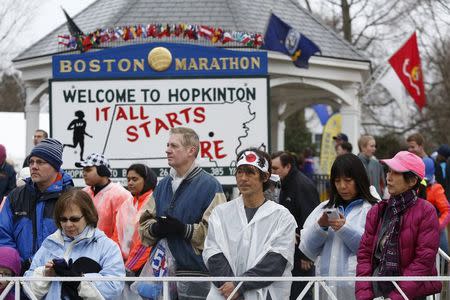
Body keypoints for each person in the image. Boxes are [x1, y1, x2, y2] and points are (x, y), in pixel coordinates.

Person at [139, 127, 226, 300]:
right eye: (167, 145)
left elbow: (218, 234)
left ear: (191, 151)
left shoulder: (211, 186)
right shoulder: (162, 185)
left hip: (195, 275)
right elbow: (143, 226)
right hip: (161, 276)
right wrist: (156, 229)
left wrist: (183, 229)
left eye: (174, 146)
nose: (167, 150)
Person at [203, 148, 297, 299]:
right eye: (239, 172)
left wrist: (240, 286)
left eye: (249, 172)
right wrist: (231, 288)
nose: (243, 178)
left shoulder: (282, 217)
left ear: (265, 176)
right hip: (226, 294)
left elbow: (276, 261)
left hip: (264, 294)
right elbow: (213, 253)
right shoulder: (220, 213)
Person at [356, 151, 442, 300]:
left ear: (412, 180)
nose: (389, 177)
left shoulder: (426, 211)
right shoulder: (377, 211)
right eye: (389, 171)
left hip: (411, 294)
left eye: (396, 173)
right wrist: (364, 294)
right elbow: (364, 255)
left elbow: (423, 261)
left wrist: (396, 296)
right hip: (378, 291)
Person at [299, 153, 378, 299]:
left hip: (357, 290)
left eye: (348, 180)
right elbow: (307, 249)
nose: (342, 186)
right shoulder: (324, 208)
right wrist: (320, 227)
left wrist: (345, 229)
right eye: (337, 181)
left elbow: (373, 249)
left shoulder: (373, 209)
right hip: (325, 288)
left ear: (359, 179)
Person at [24, 189, 125, 299]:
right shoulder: (50, 243)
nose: (68, 224)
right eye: (63, 219)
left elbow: (115, 288)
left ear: (87, 215)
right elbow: (28, 288)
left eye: (74, 219)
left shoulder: (107, 247)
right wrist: (45, 274)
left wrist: (79, 281)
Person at [0, 138, 74, 274]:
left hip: (57, 276)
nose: (34, 166)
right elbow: (3, 234)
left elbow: (76, 239)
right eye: (31, 162)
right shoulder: (15, 196)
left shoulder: (71, 198)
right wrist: (16, 262)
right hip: (19, 276)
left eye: (40, 162)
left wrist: (41, 263)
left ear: (55, 166)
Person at [271, 151, 320, 300]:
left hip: (301, 255)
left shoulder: (301, 185)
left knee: (301, 293)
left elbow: (310, 221)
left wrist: (307, 255)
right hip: (289, 251)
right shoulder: (285, 184)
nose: (272, 172)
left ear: (287, 167)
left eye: (275, 168)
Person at [76, 153, 133, 244]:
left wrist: (112, 253)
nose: (84, 173)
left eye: (88, 170)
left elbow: (122, 232)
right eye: (83, 170)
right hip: (84, 249)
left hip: (109, 252)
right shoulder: (83, 193)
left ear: (102, 171)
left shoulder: (121, 195)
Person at [115, 163, 158, 274]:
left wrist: (130, 266)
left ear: (146, 180)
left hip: (146, 266)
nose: (130, 183)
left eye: (134, 179)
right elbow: (116, 236)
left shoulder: (153, 201)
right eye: (128, 179)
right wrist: (116, 262)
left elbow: (147, 240)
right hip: (123, 266)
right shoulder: (127, 204)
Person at [422, 158, 450, 254]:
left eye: (426, 179)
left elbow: (447, 210)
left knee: (444, 257)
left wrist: (437, 225)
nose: (425, 182)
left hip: (436, 230)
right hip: (420, 230)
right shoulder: (415, 186)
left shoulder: (436, 189)